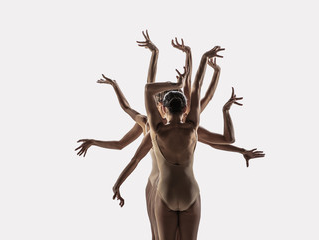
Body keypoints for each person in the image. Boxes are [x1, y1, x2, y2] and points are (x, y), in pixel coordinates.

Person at [75, 31, 264, 240]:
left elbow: (154, 89)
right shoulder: (186, 127)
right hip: (178, 189)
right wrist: (196, 60)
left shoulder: (156, 130)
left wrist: (173, 64)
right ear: (183, 109)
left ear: (162, 107)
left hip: (163, 189)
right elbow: (197, 88)